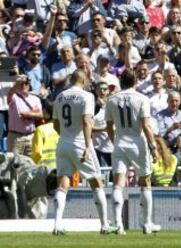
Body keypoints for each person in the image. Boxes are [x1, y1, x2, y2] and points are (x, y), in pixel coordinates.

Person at [52, 69, 114, 235]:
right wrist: (87, 146)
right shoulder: (87, 96)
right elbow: (87, 121)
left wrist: (66, 136)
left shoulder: (60, 96)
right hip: (80, 143)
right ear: (84, 80)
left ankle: (57, 225)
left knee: (63, 182)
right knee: (96, 181)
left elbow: (56, 124)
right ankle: (104, 225)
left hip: (63, 143)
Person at [105, 68, 161, 235]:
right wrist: (153, 146)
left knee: (118, 184)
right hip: (137, 142)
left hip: (120, 141)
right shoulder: (142, 98)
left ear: (121, 82)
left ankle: (118, 224)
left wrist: (114, 140)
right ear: (136, 81)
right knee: (145, 182)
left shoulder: (111, 99)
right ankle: (146, 223)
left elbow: (109, 125)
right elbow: (146, 125)